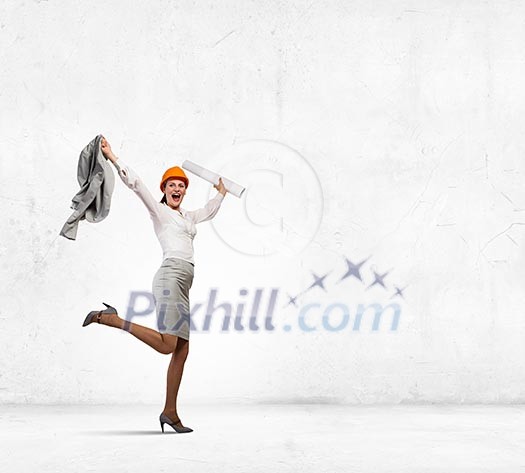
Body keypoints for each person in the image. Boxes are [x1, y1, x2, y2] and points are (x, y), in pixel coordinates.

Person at [82, 136, 227, 433]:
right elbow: (136, 185)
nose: (177, 189)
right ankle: (112, 319)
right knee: (167, 345)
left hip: (184, 284)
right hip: (170, 277)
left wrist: (221, 193)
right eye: (172, 185)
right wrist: (113, 157)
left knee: (182, 349)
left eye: (182, 185)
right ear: (164, 189)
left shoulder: (187, 217)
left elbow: (209, 211)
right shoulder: (159, 212)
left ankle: (170, 412)